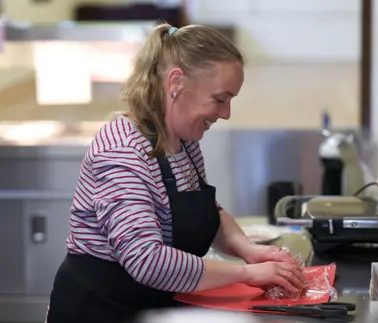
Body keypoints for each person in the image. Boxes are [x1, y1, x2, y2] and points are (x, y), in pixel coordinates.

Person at [46, 24, 306, 323]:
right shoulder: (121, 149)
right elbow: (147, 260)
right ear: (177, 82)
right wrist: (246, 273)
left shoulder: (183, 142)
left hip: (154, 304)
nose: (225, 113)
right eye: (220, 99)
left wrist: (248, 249)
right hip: (100, 309)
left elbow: (210, 211)